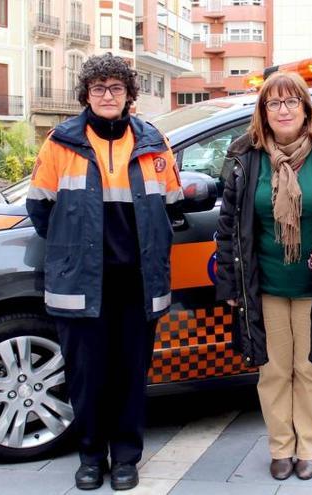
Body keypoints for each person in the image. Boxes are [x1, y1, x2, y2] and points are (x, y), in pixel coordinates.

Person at [25, 54, 183, 491]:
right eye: (99, 88)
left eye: (116, 88)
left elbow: (171, 208)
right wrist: (72, 250)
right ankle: (91, 457)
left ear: (130, 95)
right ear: (86, 95)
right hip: (81, 282)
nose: (108, 95)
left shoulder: (155, 143)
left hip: (137, 283)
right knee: (87, 376)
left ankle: (127, 458)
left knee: (131, 375)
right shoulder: (60, 143)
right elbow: (39, 209)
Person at [215, 72, 312, 481]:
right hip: (263, 287)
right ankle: (281, 447)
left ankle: (309, 448)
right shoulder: (246, 158)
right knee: (273, 370)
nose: (283, 110)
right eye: (273, 103)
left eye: (291, 102)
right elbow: (228, 225)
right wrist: (231, 285)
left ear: (305, 108)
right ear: (263, 112)